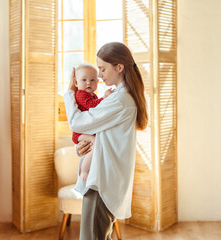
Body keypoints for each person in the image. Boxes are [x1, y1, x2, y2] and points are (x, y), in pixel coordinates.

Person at [64, 42, 148, 240]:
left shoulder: (119, 100)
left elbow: (78, 122)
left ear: (119, 67)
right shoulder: (118, 97)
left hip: (103, 181)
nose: (99, 76)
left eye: (102, 69)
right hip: (104, 178)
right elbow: (101, 134)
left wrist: (69, 92)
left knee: (92, 237)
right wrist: (82, 147)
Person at [71, 63, 113, 181]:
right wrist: (104, 98)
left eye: (92, 80)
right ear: (76, 82)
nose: (88, 83)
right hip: (79, 133)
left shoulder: (92, 95)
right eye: (84, 80)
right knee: (95, 143)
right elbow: (91, 106)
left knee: (94, 146)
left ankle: (87, 169)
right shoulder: (80, 94)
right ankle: (84, 171)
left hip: (87, 131)